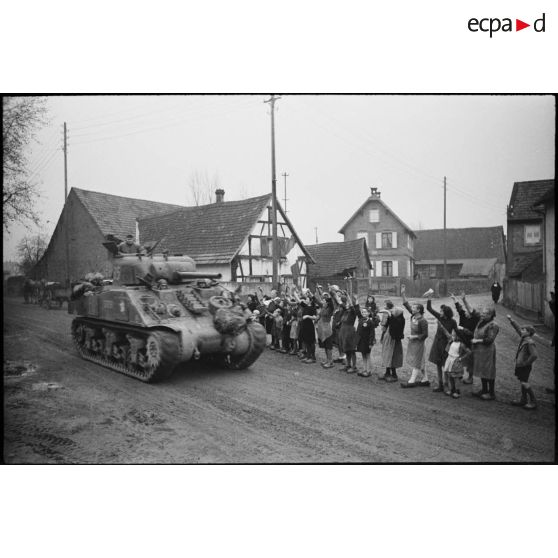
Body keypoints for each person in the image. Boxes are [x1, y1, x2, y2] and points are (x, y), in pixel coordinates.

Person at [426, 293, 458, 393]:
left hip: (446, 345)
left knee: (446, 366)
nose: (440, 312)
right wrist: (429, 297)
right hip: (437, 343)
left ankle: (446, 385)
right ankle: (440, 384)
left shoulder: (453, 322)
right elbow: (429, 308)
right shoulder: (440, 317)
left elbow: (456, 334)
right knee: (438, 365)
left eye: (441, 311)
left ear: (446, 313)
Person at [400, 287, 430, 388]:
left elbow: (425, 335)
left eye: (413, 308)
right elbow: (406, 304)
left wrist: (414, 337)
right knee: (420, 360)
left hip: (420, 343)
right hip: (414, 342)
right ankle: (425, 379)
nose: (411, 309)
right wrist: (403, 294)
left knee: (417, 361)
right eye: (412, 308)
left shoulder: (423, 321)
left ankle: (411, 381)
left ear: (418, 310)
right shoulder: (413, 316)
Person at [507, 315, 539, 410]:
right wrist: (511, 320)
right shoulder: (524, 338)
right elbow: (517, 328)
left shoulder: (529, 342)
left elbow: (534, 355)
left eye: (524, 330)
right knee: (522, 382)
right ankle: (523, 400)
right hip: (521, 365)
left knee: (524, 383)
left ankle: (533, 401)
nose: (521, 331)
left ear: (528, 333)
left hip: (524, 366)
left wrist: (526, 363)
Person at [449, 292, 480, 385]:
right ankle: (459, 373)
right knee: (458, 357)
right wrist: (455, 299)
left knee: (470, 360)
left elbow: (472, 333)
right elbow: (459, 309)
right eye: (465, 311)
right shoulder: (463, 316)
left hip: (470, 342)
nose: (465, 312)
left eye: (467, 311)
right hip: (461, 340)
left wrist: (464, 329)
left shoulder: (475, 320)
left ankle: (470, 377)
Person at [471, 306, 500, 400]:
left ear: (491, 315)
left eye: (485, 313)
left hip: (487, 351)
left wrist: (477, 341)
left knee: (489, 371)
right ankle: (484, 390)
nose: (482, 314)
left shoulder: (493, 325)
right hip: (480, 350)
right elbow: (473, 312)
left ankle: (491, 393)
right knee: (482, 370)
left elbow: (490, 340)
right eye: (482, 313)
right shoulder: (482, 321)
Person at [440, 326, 471, 399]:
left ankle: (457, 391)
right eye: (452, 335)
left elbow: (469, 352)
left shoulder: (461, 345)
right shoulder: (451, 341)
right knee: (450, 376)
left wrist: (461, 358)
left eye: (454, 335)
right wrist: (442, 327)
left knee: (456, 378)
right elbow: (446, 333)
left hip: (456, 361)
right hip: (449, 360)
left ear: (458, 336)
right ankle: (452, 389)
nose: (452, 336)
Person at [379, 300, 405, 382]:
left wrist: (388, 313)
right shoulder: (392, 319)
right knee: (387, 355)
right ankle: (387, 373)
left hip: (394, 342)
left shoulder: (400, 320)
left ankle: (394, 374)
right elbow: (386, 325)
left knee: (393, 357)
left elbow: (395, 326)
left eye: (394, 311)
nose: (392, 312)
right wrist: (382, 337)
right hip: (388, 340)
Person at [337, 292, 359, 373]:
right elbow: (340, 302)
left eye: (349, 303)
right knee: (346, 349)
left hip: (350, 332)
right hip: (343, 331)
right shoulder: (346, 311)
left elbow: (352, 305)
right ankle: (348, 365)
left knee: (351, 349)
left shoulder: (353, 311)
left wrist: (348, 296)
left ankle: (354, 367)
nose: (347, 304)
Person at [314, 285, 335, 368]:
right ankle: (328, 360)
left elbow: (330, 302)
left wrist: (328, 293)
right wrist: (318, 291)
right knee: (326, 346)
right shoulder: (323, 308)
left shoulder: (330, 309)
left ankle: (331, 362)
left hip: (327, 329)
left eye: (325, 301)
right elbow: (317, 300)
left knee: (329, 346)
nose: (323, 302)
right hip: (321, 329)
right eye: (323, 300)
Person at [355, 306, 377, 377]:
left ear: (368, 313)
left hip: (367, 342)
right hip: (361, 341)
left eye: (365, 312)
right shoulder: (361, 320)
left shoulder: (370, 322)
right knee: (363, 355)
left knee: (367, 355)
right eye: (362, 312)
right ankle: (364, 369)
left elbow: (372, 334)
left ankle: (369, 371)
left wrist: (371, 343)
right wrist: (356, 341)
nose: (363, 313)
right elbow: (358, 331)